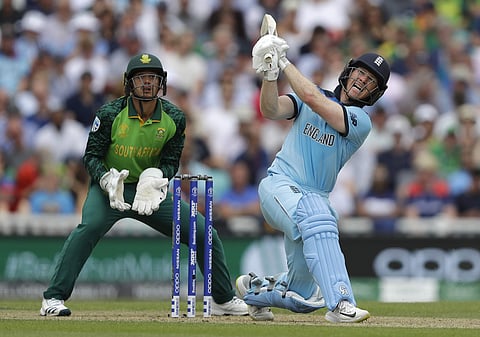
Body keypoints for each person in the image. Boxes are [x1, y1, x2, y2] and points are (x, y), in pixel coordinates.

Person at [40, 53, 247, 317]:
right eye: (141, 78)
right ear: (129, 83)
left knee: (204, 231)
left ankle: (222, 298)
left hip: (150, 192)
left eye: (153, 78)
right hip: (112, 189)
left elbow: (172, 162)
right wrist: (105, 177)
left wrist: (157, 176)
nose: (148, 83)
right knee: (87, 229)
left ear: (162, 82)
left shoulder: (174, 118)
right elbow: (91, 155)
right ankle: (53, 298)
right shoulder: (110, 113)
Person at [235, 28, 390, 323]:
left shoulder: (360, 122)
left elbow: (313, 99)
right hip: (279, 185)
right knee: (318, 214)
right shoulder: (312, 95)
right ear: (348, 72)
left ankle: (254, 290)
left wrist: (284, 62)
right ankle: (341, 302)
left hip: (313, 198)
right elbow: (271, 109)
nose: (362, 81)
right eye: (360, 73)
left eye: (371, 81)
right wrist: (269, 75)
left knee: (304, 296)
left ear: (375, 93)